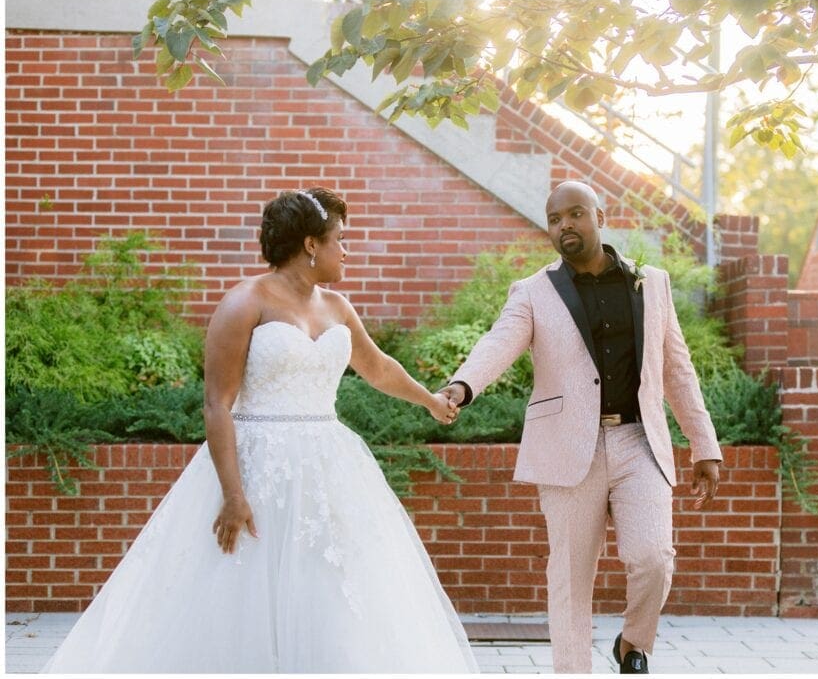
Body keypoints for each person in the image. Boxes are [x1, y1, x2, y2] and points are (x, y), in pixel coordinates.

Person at [43, 187, 478, 673]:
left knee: (331, 587)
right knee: (245, 587)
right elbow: (216, 403)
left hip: (330, 466)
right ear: (311, 245)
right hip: (255, 466)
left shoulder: (337, 306)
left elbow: (377, 368)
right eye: (340, 239)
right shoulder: (244, 302)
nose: (346, 251)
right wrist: (233, 494)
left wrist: (432, 402)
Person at [439, 180, 722, 674]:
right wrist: (461, 387)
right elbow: (498, 342)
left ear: (598, 216)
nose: (564, 226)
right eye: (554, 219)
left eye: (574, 214)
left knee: (653, 557)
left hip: (639, 440)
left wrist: (704, 443)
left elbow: (678, 367)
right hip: (569, 447)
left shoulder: (650, 282)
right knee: (570, 578)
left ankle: (634, 643)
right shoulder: (532, 292)